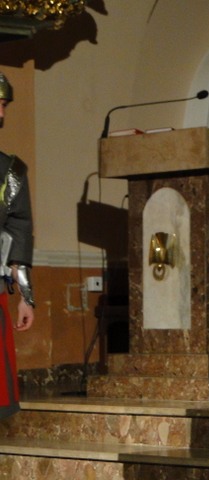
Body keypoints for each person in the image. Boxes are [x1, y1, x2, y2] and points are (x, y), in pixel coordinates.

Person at [0, 72, 36, 420]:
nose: (1, 113)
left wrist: (25, 295)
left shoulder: (9, 171)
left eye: (4, 105)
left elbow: (18, 231)